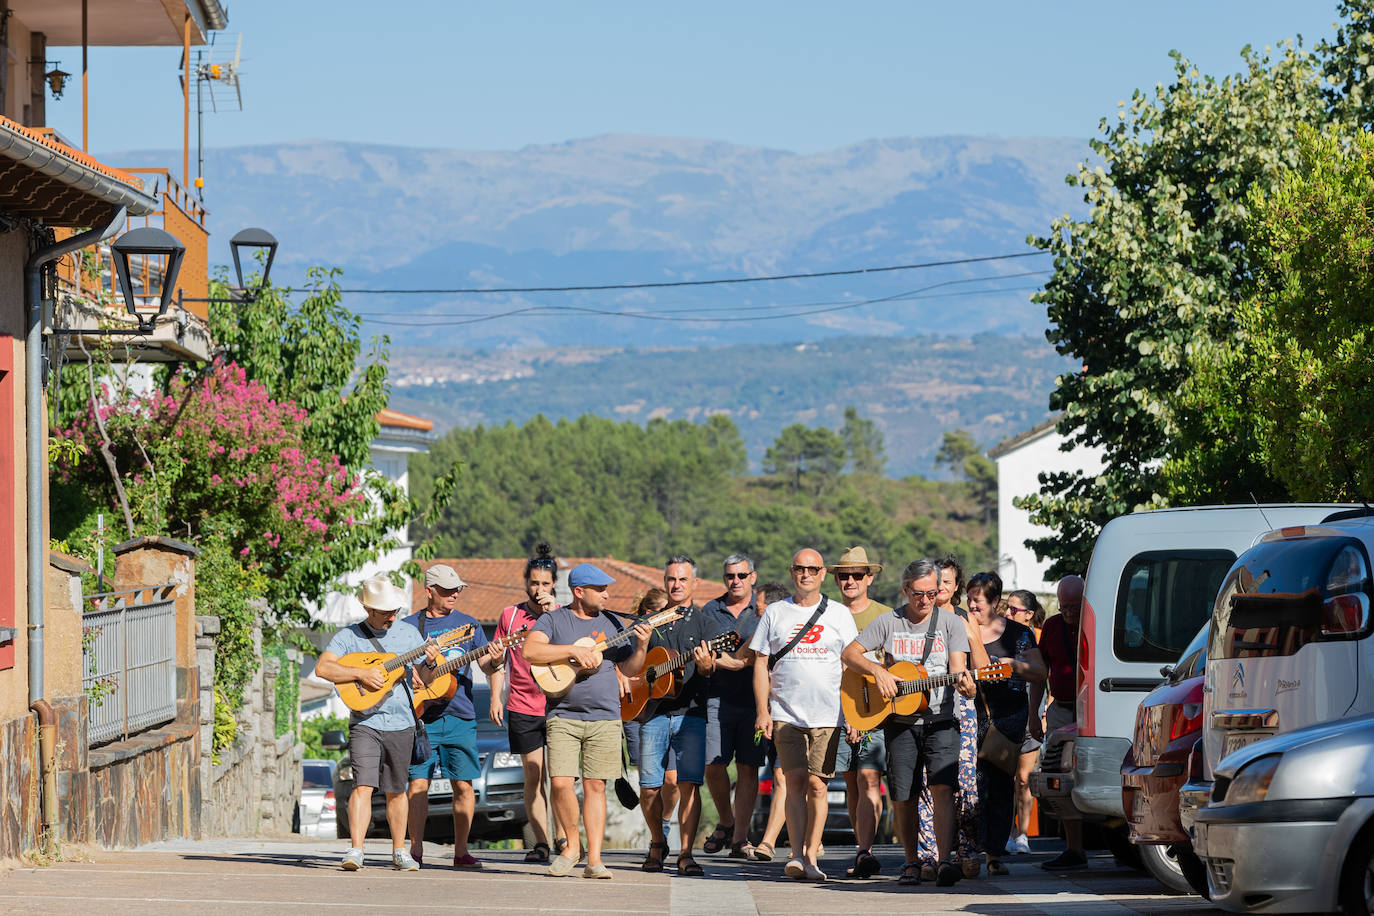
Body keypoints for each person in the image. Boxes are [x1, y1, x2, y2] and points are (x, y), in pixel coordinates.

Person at [841, 557, 975, 888]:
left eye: (932, 593)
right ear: (905, 590)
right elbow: (850, 654)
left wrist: (967, 685)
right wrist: (878, 672)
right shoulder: (889, 622)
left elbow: (958, 668)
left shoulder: (951, 623)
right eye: (919, 594)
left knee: (943, 787)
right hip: (899, 720)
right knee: (904, 793)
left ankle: (944, 861)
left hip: (942, 718)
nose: (926, 600)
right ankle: (911, 862)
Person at [523, 563, 652, 879]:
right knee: (560, 783)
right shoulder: (554, 619)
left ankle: (594, 859)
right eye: (600, 589)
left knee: (596, 786)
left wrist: (643, 645)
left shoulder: (614, 623)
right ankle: (572, 846)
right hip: (562, 715)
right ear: (579, 591)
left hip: (605, 716)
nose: (607, 595)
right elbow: (530, 650)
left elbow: (630, 668)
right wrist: (571, 651)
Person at [315, 576, 442, 872]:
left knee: (397, 789)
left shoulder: (409, 634)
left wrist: (431, 662)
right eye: (386, 612)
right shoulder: (349, 637)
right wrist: (360, 674)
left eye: (394, 611)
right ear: (369, 610)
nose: (392, 617)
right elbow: (323, 668)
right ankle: (356, 850)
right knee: (363, 785)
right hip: (365, 722)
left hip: (402, 722)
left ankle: (399, 851)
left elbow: (424, 680)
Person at [749, 548, 859, 883]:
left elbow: (851, 664)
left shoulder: (839, 614)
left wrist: (854, 713)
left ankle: (811, 856)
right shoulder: (775, 612)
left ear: (823, 573)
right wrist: (763, 710)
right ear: (792, 571)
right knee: (793, 781)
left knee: (818, 786)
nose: (806, 574)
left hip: (828, 714)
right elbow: (760, 663)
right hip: (786, 713)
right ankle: (796, 855)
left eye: (812, 569)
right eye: (800, 568)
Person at [404, 564, 504, 868]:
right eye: (448, 590)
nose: (455, 594)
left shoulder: (469, 625)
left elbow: (485, 665)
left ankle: (461, 852)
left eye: (457, 589)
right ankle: (415, 851)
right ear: (429, 591)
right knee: (417, 784)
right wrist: (414, 673)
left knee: (463, 784)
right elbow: (398, 668)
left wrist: (495, 659)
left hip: (460, 715)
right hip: (421, 718)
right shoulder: (409, 627)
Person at [635, 556, 718, 876]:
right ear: (664, 582)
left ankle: (686, 853)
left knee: (689, 785)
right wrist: (641, 649)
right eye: (671, 579)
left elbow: (710, 667)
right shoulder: (650, 621)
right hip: (652, 712)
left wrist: (707, 665)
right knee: (649, 787)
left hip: (691, 714)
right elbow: (634, 669)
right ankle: (658, 843)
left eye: (683, 579)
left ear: (694, 583)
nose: (676, 585)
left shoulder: (705, 625)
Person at [966, 572, 1046, 876]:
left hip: (1008, 717)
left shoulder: (1017, 633)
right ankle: (967, 851)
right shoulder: (959, 629)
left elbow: (1039, 673)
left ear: (995, 601)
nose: (972, 605)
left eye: (978, 600)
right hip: (969, 716)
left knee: (999, 786)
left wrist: (1014, 665)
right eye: (969, 599)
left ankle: (994, 854)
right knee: (970, 786)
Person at [915, 554, 989, 880]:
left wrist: (970, 634)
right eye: (936, 580)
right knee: (926, 782)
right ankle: (929, 855)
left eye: (947, 581)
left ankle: (966, 851)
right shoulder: (917, 617)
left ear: (957, 586)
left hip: (961, 708)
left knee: (964, 780)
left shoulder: (963, 618)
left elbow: (984, 668)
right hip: (922, 707)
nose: (941, 586)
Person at [489, 542, 560, 864]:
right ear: (525, 583)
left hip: (559, 705)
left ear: (554, 584)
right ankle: (541, 842)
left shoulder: (564, 615)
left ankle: (566, 839)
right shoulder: (510, 615)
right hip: (522, 706)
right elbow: (497, 662)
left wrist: (554, 615)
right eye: (534, 583)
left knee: (561, 778)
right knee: (534, 776)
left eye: (545, 583)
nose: (539, 589)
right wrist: (495, 696)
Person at [829, 546, 891, 880]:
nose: (850, 581)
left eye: (856, 575)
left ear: (869, 578)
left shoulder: (886, 616)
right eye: (844, 575)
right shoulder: (829, 615)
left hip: (875, 712)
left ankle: (866, 850)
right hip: (838, 711)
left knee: (870, 778)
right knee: (851, 784)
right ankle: (861, 848)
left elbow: (895, 666)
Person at [700, 553, 763, 859]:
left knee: (748, 768)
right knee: (713, 765)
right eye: (730, 576)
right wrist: (729, 662)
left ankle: (739, 838)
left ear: (753, 577)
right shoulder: (710, 610)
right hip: (717, 697)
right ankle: (726, 821)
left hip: (755, 701)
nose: (735, 581)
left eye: (741, 575)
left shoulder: (764, 609)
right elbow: (705, 654)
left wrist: (733, 661)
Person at [1028, 574, 1087, 870]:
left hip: (1093, 710)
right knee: (1059, 777)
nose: (1070, 613)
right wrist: (1033, 715)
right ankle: (1073, 848)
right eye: (1065, 607)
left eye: (1076, 607)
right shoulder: (1052, 627)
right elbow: (1040, 675)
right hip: (1061, 709)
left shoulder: (1096, 621)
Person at [747, 581, 793, 864]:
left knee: (790, 778)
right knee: (781, 776)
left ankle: (773, 841)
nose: (755, 613)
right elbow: (744, 660)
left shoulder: (790, 629)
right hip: (777, 714)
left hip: (804, 714)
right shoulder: (762, 633)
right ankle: (772, 841)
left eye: (759, 608)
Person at [1005, 589, 1046, 855]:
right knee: (1006, 777)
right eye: (1006, 608)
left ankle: (1023, 834)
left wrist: (1043, 713)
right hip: (1005, 714)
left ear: (1029, 614)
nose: (1007, 614)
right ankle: (1007, 832)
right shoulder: (998, 636)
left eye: (1014, 610)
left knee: (1023, 778)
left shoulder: (1037, 639)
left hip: (1031, 712)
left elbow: (1045, 677)